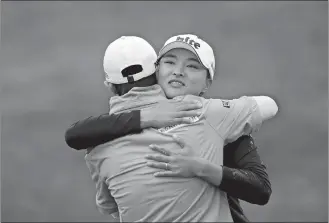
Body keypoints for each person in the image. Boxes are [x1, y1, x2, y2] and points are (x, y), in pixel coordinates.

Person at [67, 35, 278, 222]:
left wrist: (200, 167)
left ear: (207, 82)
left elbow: (260, 190)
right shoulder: (213, 114)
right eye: (170, 62)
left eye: (192, 66)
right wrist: (147, 117)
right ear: (156, 71)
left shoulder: (99, 146)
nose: (178, 72)